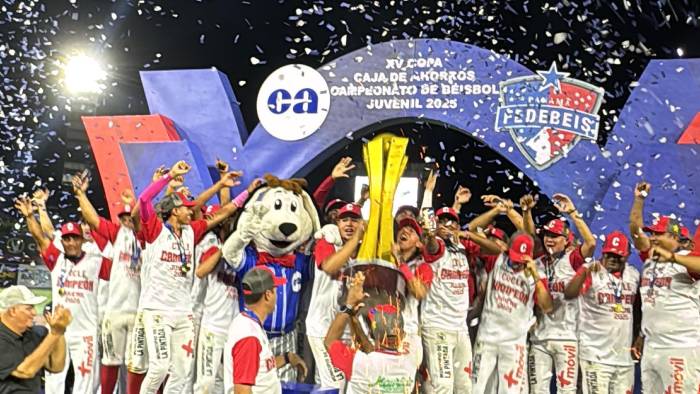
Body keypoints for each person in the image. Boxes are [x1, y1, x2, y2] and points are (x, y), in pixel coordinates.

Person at [137, 161, 242, 394]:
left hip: (184, 313)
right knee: (159, 368)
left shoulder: (190, 231)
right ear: (175, 211)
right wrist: (169, 177)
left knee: (182, 372)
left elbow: (222, 214)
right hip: (157, 311)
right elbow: (144, 201)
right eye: (186, 207)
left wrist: (239, 191)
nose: (190, 210)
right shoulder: (156, 231)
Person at [15, 197, 109, 394]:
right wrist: (30, 216)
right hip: (58, 332)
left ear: (82, 239)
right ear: (62, 241)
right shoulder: (55, 260)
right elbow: (40, 237)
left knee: (86, 385)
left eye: (75, 238)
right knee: (53, 382)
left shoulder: (97, 261)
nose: (71, 242)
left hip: (86, 334)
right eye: (67, 239)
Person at [72, 172, 142, 394]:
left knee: (137, 366)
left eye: (130, 217)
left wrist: (136, 202)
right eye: (123, 217)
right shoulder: (116, 234)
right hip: (115, 312)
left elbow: (147, 214)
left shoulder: (148, 237)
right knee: (111, 361)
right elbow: (92, 219)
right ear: (119, 219)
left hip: (140, 313)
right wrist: (81, 194)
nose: (127, 220)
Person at [628, 183, 700, 392]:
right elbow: (635, 231)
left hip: (681, 347)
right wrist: (639, 199)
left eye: (659, 234)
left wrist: (674, 257)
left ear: (675, 239)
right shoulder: (651, 259)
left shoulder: (687, 259)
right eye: (652, 233)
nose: (653, 238)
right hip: (653, 347)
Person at [527, 193, 596, 394]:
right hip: (539, 339)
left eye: (555, 236)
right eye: (547, 235)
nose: (549, 240)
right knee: (537, 391)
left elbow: (591, 244)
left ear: (566, 240)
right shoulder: (537, 262)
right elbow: (529, 234)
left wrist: (573, 213)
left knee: (567, 391)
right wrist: (526, 211)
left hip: (567, 338)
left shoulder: (572, 259)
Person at [472, 232, 553, 394]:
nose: (516, 263)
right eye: (514, 257)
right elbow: (480, 240)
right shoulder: (499, 259)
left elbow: (547, 307)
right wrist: (469, 234)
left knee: (510, 391)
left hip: (514, 344)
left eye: (520, 260)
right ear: (508, 250)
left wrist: (536, 276)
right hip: (486, 339)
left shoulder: (537, 276)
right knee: (475, 388)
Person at [564, 231, 640, 394]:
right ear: (603, 252)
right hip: (595, 356)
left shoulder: (633, 275)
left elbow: (638, 309)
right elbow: (569, 294)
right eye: (609, 254)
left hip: (624, 359)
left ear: (627, 256)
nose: (612, 259)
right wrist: (583, 272)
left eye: (618, 255)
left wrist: (638, 338)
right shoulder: (591, 271)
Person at [324, 271, 416, 394]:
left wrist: (349, 304)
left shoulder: (358, 363)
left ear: (372, 334)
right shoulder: (414, 353)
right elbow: (374, 352)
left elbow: (329, 342)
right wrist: (353, 320)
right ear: (403, 334)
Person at [306, 203, 364, 389]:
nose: (349, 224)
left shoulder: (363, 253)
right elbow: (330, 267)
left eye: (354, 220)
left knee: (338, 384)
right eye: (344, 220)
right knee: (335, 384)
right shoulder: (326, 242)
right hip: (322, 328)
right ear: (336, 223)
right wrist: (356, 239)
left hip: (347, 332)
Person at [223, 267, 307, 394]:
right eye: (275, 290)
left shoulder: (247, 322)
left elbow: (261, 369)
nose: (277, 295)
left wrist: (287, 358)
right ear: (268, 295)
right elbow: (242, 391)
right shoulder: (249, 336)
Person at [420, 206, 474, 393]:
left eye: (450, 221)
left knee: (465, 386)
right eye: (441, 221)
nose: (446, 225)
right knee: (442, 386)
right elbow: (431, 245)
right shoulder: (436, 245)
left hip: (461, 327)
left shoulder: (460, 247)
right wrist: (429, 235)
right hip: (438, 326)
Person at [0, 286, 71, 393]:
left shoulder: (34, 334)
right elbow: (25, 371)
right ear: (12, 311)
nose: (34, 312)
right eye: (29, 308)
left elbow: (56, 366)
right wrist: (54, 334)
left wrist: (60, 331)